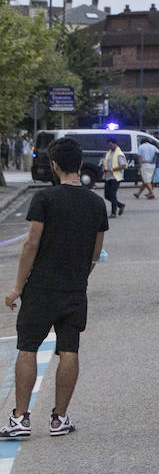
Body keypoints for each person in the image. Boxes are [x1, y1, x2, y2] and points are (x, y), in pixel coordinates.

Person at [2, 138, 107, 439]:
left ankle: (21, 418)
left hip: (41, 288)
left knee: (27, 347)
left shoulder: (45, 199)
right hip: (74, 289)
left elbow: (31, 244)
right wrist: (79, 277)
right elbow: (95, 254)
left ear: (54, 165)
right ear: (80, 162)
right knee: (69, 348)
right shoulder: (96, 203)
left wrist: (18, 287)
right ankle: (59, 418)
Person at [101, 138, 127, 217]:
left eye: (111, 144)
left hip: (116, 177)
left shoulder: (119, 154)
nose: (110, 146)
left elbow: (123, 165)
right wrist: (104, 168)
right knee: (107, 195)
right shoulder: (109, 153)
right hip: (108, 177)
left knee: (112, 194)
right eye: (109, 145)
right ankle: (120, 205)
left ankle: (113, 213)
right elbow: (105, 162)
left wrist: (112, 170)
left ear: (115, 144)